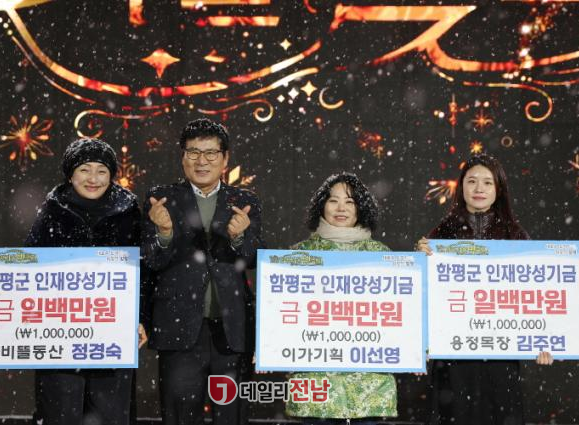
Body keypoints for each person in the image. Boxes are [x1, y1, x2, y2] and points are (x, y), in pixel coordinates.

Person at [141, 118, 264, 425]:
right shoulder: (161, 199)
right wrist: (164, 233)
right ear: (183, 157)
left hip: (232, 330)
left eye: (210, 153)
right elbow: (151, 261)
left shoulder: (244, 202)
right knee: (179, 417)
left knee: (233, 416)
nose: (201, 161)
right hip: (179, 328)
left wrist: (239, 238)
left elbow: (254, 259)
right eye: (193, 152)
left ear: (225, 158)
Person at [415, 153, 553, 425]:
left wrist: (546, 338)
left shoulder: (516, 237)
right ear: (461, 187)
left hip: (500, 355)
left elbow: (537, 295)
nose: (479, 188)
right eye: (472, 181)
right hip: (453, 355)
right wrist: (420, 261)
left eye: (488, 182)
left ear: (499, 189)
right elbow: (422, 296)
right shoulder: (441, 235)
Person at [26, 137, 147, 425]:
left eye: (101, 171)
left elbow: (144, 270)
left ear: (111, 175)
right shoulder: (51, 212)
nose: (93, 178)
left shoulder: (128, 212)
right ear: (70, 174)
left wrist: (141, 317)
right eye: (84, 169)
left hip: (112, 334)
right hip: (60, 336)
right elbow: (28, 272)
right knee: (60, 412)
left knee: (111, 414)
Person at [285, 172, 397, 425]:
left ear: (361, 208)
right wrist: (268, 347)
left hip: (370, 386)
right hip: (316, 386)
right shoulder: (298, 255)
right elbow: (279, 312)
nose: (341, 208)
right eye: (333, 200)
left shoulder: (383, 257)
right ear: (321, 206)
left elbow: (403, 313)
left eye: (350, 201)